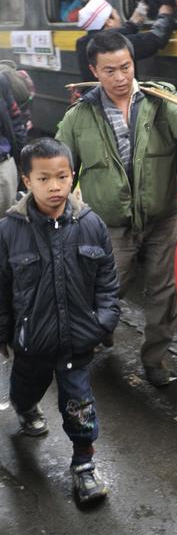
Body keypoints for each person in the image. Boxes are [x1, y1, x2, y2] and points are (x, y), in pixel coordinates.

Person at [56, 30, 177, 387]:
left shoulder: (158, 100)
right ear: (94, 70)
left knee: (163, 293)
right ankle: (95, 334)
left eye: (126, 67)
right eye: (109, 70)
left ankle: (155, 360)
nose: (120, 78)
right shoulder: (79, 116)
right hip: (110, 226)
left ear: (134, 63)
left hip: (161, 219)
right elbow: (59, 165)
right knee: (106, 290)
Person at [0, 138, 120, 505]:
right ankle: (26, 408)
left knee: (79, 403)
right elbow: (3, 288)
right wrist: (5, 333)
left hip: (77, 342)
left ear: (72, 177)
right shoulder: (9, 230)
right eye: (44, 178)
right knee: (24, 390)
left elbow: (107, 281)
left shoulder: (91, 224)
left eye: (63, 177)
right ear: (26, 180)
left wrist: (103, 322)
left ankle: (83, 465)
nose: (55, 186)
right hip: (31, 343)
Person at [75, 0, 175, 82]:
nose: (119, 17)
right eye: (116, 14)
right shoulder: (111, 43)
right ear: (109, 21)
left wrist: (132, 24)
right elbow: (155, 38)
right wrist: (165, 14)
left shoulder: (84, 43)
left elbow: (117, 34)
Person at [0, 73, 19, 217]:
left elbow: (16, 118)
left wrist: (18, 157)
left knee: (7, 224)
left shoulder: (1, 81)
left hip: (3, 165)